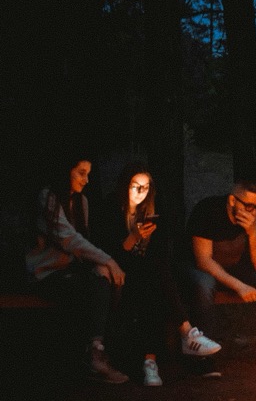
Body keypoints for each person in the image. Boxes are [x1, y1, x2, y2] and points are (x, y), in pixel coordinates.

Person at [99, 161, 220, 386]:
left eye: (145, 187)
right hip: (118, 273)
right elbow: (108, 254)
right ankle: (183, 336)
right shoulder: (111, 208)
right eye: (135, 186)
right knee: (155, 280)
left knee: (154, 285)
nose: (139, 192)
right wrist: (134, 237)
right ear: (124, 186)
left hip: (147, 275)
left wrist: (147, 240)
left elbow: (161, 253)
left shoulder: (153, 210)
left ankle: (151, 363)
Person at [25, 151, 129, 383]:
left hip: (72, 270)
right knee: (96, 282)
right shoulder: (48, 197)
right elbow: (69, 239)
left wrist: (102, 267)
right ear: (66, 172)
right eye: (81, 173)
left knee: (105, 278)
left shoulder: (82, 202)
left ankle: (99, 351)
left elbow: (82, 245)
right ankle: (91, 356)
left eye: (88, 174)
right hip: (47, 273)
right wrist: (108, 260)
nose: (86, 180)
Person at [186, 177, 256, 353]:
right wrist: (239, 286)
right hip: (202, 269)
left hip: (237, 270)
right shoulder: (207, 210)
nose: (253, 212)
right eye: (249, 206)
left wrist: (253, 231)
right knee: (204, 284)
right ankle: (203, 350)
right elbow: (204, 261)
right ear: (233, 200)